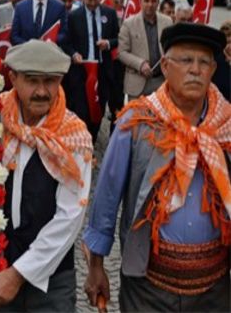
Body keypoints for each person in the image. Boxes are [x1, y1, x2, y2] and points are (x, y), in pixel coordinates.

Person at [84, 23, 230, 313]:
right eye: (186, 60)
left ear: (213, 70)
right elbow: (107, 196)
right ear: (165, 66)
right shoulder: (136, 122)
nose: (195, 70)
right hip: (148, 289)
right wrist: (96, 266)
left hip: (215, 290)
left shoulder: (226, 124)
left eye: (204, 63)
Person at [0, 40, 92, 312]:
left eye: (50, 81)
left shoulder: (74, 135)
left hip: (51, 282)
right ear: (12, 77)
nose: (41, 91)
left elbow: (69, 217)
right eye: (31, 80)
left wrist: (17, 275)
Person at [63, 0, 120, 141]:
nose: (93, 3)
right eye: (90, 0)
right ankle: (82, 141)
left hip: (102, 69)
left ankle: (92, 139)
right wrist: (74, 54)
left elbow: (119, 37)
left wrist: (108, 43)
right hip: (82, 70)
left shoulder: (109, 14)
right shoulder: (74, 16)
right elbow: (66, 42)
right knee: (82, 110)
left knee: (99, 110)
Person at [118, 0, 173, 98]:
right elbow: (122, 52)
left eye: (153, 1)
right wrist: (140, 64)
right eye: (146, 1)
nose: (150, 4)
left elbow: (172, 48)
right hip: (137, 84)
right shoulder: (129, 24)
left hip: (162, 82)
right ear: (140, 2)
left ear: (158, 2)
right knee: (138, 116)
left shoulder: (167, 22)